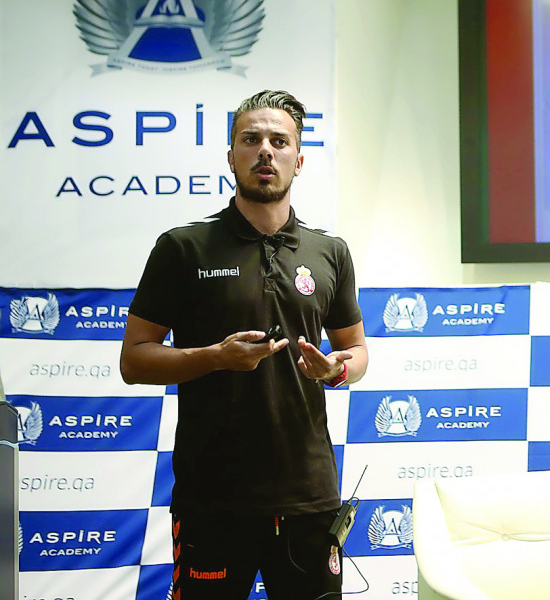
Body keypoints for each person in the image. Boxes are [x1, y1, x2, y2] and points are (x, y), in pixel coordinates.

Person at [121, 90, 368, 600]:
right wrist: (215, 357)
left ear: (299, 161)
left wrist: (336, 371)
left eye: (279, 141)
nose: (265, 151)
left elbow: (357, 353)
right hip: (213, 499)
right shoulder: (182, 246)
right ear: (230, 156)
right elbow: (134, 359)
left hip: (308, 497)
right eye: (250, 139)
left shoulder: (330, 252)